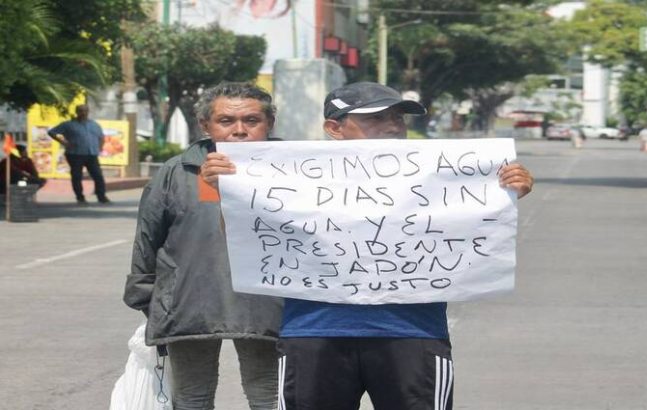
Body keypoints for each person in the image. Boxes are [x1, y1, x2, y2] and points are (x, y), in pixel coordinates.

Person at [202, 81, 533, 410]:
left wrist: (503, 193)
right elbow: (246, 239)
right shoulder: (289, 176)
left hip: (412, 332)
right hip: (314, 332)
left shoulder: (439, 172)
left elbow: (470, 226)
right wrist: (229, 195)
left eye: (398, 118)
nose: (391, 126)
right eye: (375, 118)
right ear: (334, 127)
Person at [123, 82, 283, 410]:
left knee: (267, 393)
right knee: (192, 398)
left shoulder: (293, 171)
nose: (239, 131)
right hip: (189, 302)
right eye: (226, 121)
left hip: (267, 303)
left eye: (252, 121)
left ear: (270, 124)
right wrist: (146, 298)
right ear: (205, 126)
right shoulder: (177, 172)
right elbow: (147, 239)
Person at [48, 104, 111, 204]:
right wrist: (64, 142)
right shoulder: (69, 124)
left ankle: (101, 196)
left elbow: (101, 137)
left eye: (85, 111)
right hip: (75, 154)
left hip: (91, 154)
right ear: (77, 112)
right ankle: (80, 197)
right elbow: (52, 132)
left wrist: (99, 148)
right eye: (81, 111)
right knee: (77, 176)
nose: (83, 113)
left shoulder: (94, 124)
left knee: (98, 175)